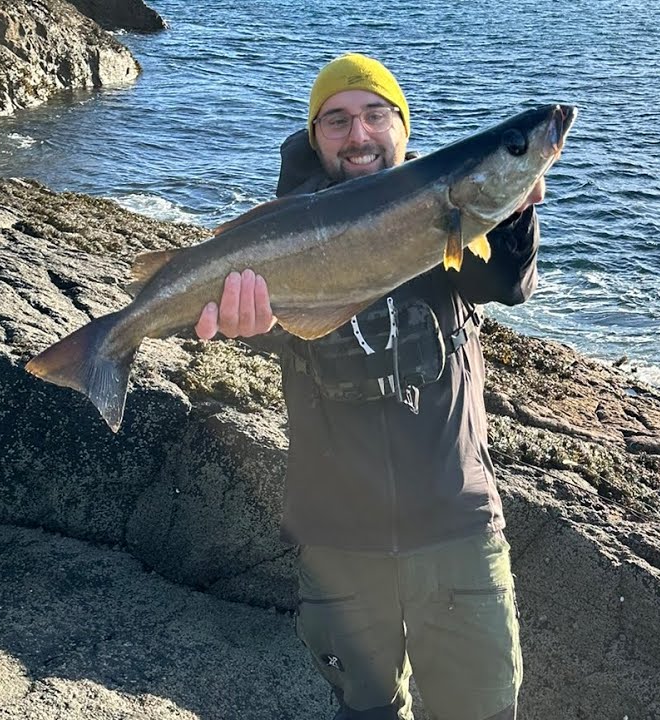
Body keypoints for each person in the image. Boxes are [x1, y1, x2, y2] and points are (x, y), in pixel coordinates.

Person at [194, 53, 544, 720]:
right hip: (337, 538)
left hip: (456, 522)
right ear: (314, 137)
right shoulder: (278, 233)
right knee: (366, 712)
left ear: (402, 127)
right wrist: (236, 323)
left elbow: (507, 283)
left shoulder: (444, 216)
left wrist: (515, 203)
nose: (359, 134)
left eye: (376, 114)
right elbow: (252, 331)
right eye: (337, 120)